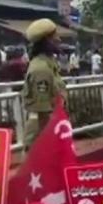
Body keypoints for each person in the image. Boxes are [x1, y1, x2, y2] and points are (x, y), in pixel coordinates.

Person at [22, 19, 67, 149]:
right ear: (46, 41)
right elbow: (42, 112)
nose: (59, 39)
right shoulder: (41, 69)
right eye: (55, 36)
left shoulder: (50, 64)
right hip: (42, 134)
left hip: (51, 128)